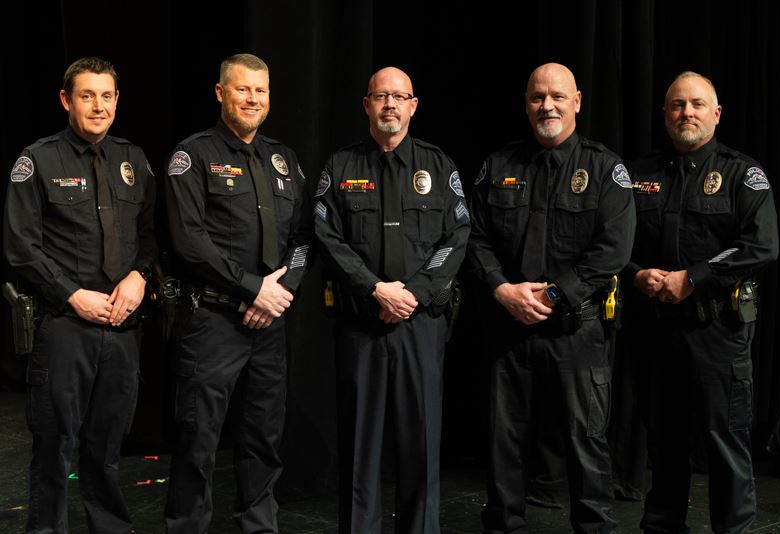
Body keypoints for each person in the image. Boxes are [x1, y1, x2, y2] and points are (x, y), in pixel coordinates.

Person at [467, 62, 635, 533]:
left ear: (577, 101)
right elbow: (474, 238)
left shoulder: (605, 169)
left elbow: (613, 251)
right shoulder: (498, 166)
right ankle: (504, 525)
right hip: (510, 327)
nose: (548, 106)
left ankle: (594, 527)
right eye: (538, 97)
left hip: (576, 330)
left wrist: (556, 294)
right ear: (526, 104)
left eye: (558, 97)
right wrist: (502, 289)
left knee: (586, 440)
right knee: (504, 439)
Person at [3, 56, 157, 533]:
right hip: (65, 326)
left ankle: (108, 527)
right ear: (66, 100)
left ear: (116, 101)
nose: (98, 105)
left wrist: (140, 277)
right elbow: (20, 247)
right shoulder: (39, 160)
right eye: (87, 95)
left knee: (107, 446)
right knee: (54, 444)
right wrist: (73, 295)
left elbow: (150, 235)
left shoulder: (133, 159)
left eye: (107, 95)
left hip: (122, 325)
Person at [314, 66, 470, 534]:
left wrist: (413, 294)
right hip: (361, 323)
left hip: (420, 325)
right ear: (366, 104)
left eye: (400, 97)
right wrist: (374, 288)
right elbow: (326, 236)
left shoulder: (439, 167)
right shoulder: (340, 167)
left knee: (420, 445)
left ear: (413, 106)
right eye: (381, 96)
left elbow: (457, 236)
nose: (390, 105)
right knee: (360, 447)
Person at [163, 53, 312, 533]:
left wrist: (280, 291)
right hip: (213, 322)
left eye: (261, 91)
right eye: (243, 89)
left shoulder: (283, 159)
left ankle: (258, 525)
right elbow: (188, 241)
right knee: (198, 438)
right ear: (221, 92)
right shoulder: (193, 155)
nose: (253, 99)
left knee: (263, 436)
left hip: (270, 324)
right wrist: (252, 290)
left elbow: (304, 238)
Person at [625, 71, 778, 533]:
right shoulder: (638, 175)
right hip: (658, 334)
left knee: (725, 446)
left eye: (695, 104)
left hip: (719, 333)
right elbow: (613, 242)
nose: (685, 113)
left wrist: (693, 278)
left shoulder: (742, 173)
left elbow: (762, 245)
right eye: (676, 105)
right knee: (664, 446)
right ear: (665, 115)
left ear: (716, 114)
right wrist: (636, 275)